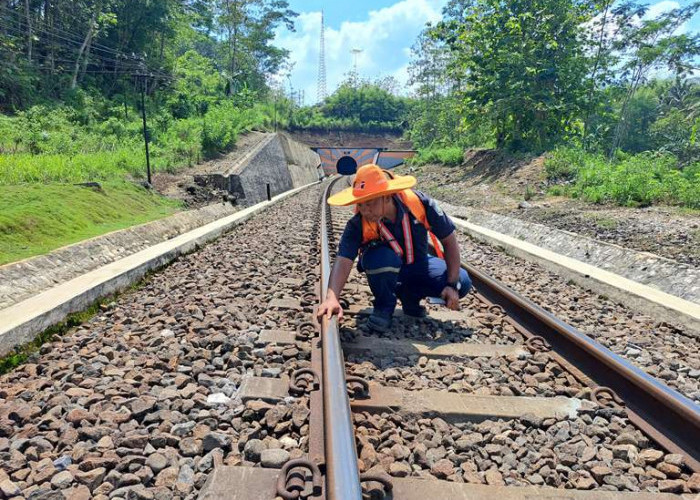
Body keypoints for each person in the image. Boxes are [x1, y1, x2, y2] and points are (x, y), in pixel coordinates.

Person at [317, 164, 472, 332]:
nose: (365, 210)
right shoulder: (358, 224)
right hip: (386, 267)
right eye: (360, 204)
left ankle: (410, 298)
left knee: (461, 281)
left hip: (418, 265)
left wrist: (451, 285)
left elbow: (449, 241)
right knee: (382, 258)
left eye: (370, 203)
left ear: (387, 196)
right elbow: (343, 260)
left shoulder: (419, 204)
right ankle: (383, 307)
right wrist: (331, 298)